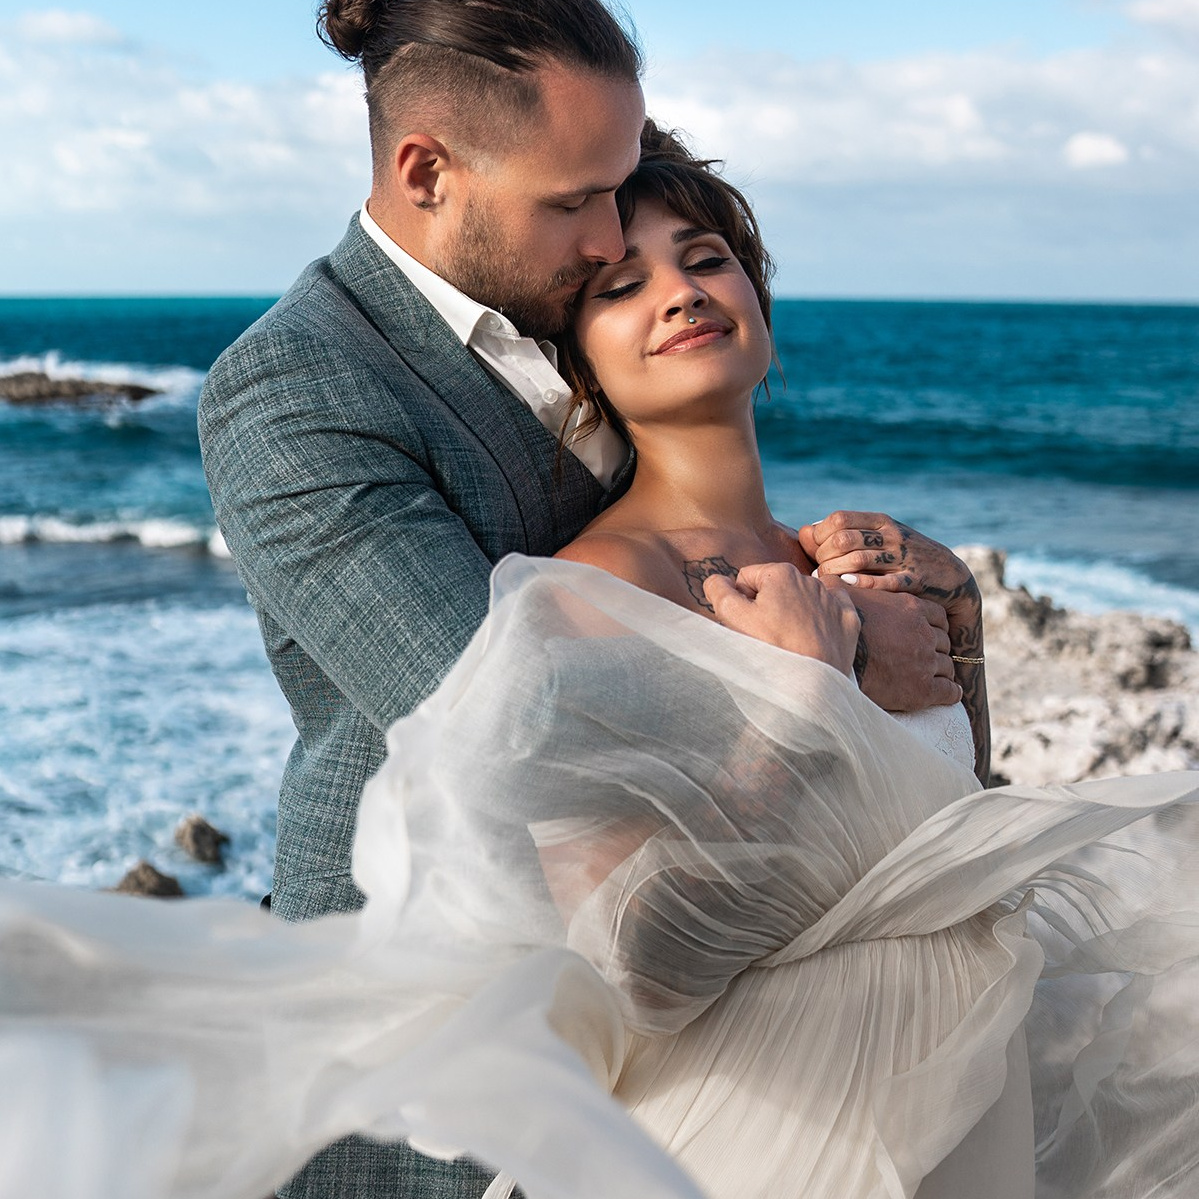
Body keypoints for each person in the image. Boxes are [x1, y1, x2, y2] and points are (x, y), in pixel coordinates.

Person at [197, 3, 978, 1195]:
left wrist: (951, 609)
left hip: (730, 1024)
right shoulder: (295, 390)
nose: (611, 233)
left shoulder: (559, 307)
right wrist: (843, 666)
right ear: (426, 172)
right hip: (432, 1041)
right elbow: (500, 738)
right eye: (577, 204)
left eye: (622, 190)